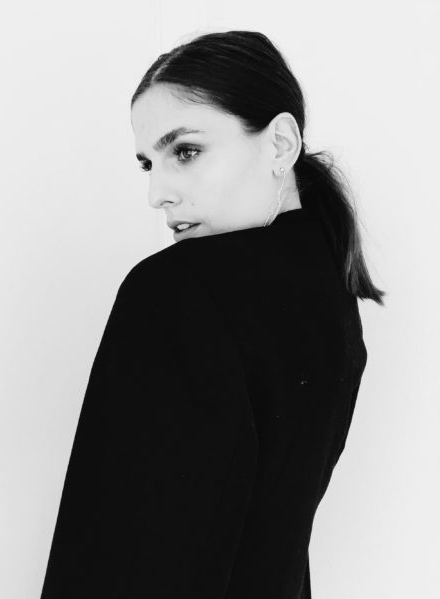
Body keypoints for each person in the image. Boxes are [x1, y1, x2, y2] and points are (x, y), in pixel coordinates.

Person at [40, 30, 385, 599]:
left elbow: (121, 554)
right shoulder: (333, 296)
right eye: (149, 163)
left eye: (186, 151)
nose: (157, 193)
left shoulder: (177, 290)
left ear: (280, 143)